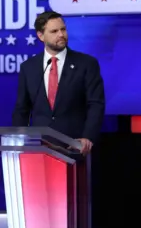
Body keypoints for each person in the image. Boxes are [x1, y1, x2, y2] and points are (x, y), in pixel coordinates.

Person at [12, 10, 105, 154]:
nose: (61, 35)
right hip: (39, 148)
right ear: (40, 36)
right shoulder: (28, 67)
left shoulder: (87, 64)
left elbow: (96, 104)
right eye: (54, 31)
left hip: (75, 147)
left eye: (63, 29)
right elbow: (22, 109)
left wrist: (88, 137)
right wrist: (18, 140)